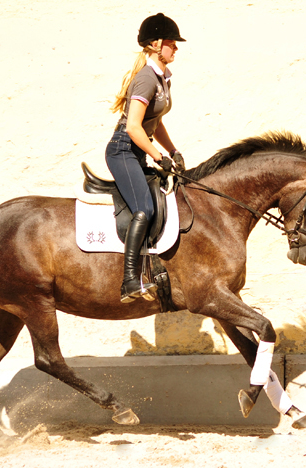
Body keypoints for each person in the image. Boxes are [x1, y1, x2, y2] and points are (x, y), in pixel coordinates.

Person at [106, 13, 186, 303]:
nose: (175, 48)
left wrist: (173, 152)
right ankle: (129, 280)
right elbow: (133, 127)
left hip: (138, 150)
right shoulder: (146, 79)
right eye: (171, 43)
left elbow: (156, 123)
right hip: (123, 150)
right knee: (145, 209)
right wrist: (159, 156)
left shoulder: (162, 78)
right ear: (154, 45)